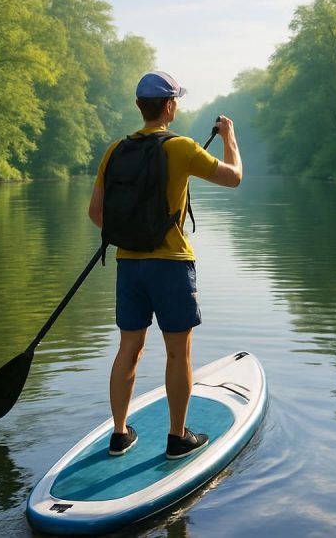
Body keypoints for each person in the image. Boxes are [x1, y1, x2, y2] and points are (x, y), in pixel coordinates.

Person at [88, 70, 243, 459]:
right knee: (178, 353)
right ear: (170, 105)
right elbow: (234, 178)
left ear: (141, 107)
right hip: (171, 264)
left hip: (128, 264)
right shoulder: (182, 148)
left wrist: (133, 234)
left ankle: (120, 434)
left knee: (128, 348)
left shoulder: (115, 150)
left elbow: (96, 213)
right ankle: (177, 438)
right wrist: (229, 137)